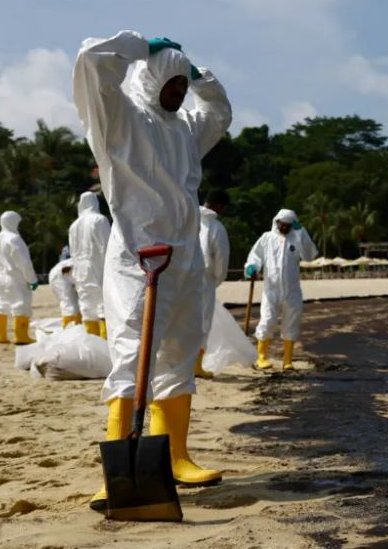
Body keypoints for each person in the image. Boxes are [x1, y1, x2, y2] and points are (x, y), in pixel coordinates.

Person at [74, 30, 232, 512]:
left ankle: (176, 456)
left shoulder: (182, 127)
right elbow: (91, 62)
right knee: (131, 355)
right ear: (152, 77)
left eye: (183, 86)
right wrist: (142, 47)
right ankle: (116, 471)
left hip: (182, 256)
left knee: (180, 353)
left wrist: (201, 75)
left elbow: (219, 114)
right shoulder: (117, 117)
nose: (180, 93)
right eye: (174, 84)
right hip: (137, 257)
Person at [244, 209, 318, 371]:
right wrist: (251, 268)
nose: (284, 227)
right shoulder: (267, 238)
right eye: (281, 224)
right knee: (267, 320)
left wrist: (301, 231)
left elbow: (310, 255)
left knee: (291, 322)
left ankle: (287, 360)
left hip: (292, 291)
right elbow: (255, 256)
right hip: (270, 290)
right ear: (276, 222)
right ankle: (262, 357)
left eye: (288, 225)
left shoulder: (297, 240)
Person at [196, 189, 231, 379]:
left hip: (181, 276)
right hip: (204, 278)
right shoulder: (216, 228)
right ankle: (196, 366)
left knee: (179, 318)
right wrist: (216, 280)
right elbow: (221, 260)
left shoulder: (187, 218)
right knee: (202, 321)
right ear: (219, 206)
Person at [68, 191, 111, 338]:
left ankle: (91, 343)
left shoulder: (74, 226)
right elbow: (106, 247)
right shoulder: (99, 220)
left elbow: (72, 252)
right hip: (98, 266)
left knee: (87, 304)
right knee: (104, 304)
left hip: (79, 269)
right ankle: (105, 343)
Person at [0, 211, 38, 345]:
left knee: (2, 305)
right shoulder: (14, 239)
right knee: (21, 304)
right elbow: (24, 262)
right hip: (15, 277)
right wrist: (32, 279)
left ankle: (2, 336)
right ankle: (21, 336)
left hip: (1, 278)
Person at [49, 259, 82, 328]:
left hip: (65, 275)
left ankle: (78, 325)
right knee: (69, 304)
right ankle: (69, 328)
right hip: (59, 277)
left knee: (75, 303)